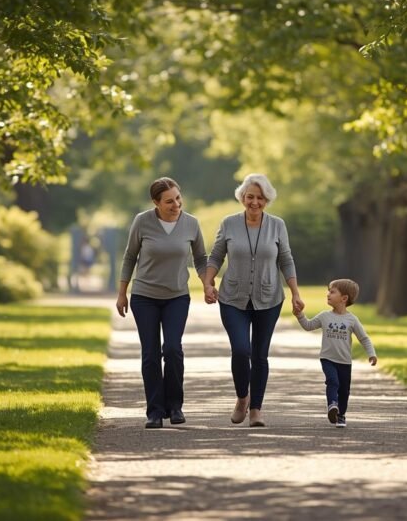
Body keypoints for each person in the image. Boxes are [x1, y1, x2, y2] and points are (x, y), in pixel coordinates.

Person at [202, 173, 304, 427]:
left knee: (259, 355)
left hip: (269, 298)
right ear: (242, 198)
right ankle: (241, 398)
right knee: (240, 350)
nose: (254, 202)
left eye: (260, 198)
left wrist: (295, 292)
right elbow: (216, 256)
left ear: (267, 200)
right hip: (232, 297)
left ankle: (256, 409)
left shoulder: (277, 225)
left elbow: (286, 259)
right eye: (250, 197)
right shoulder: (229, 223)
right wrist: (207, 281)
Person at [117, 177, 208, 429]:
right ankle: (155, 411)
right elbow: (129, 257)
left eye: (178, 198)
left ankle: (175, 406)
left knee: (172, 349)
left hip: (177, 296)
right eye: (169, 201)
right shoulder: (142, 221)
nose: (176, 204)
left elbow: (201, 258)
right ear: (156, 202)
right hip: (144, 296)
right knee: (150, 355)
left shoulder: (191, 223)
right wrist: (122, 292)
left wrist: (207, 284)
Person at [293, 279, 377, 428]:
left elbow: (364, 338)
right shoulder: (324, 316)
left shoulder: (352, 320)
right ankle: (332, 405)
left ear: (344, 298)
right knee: (333, 382)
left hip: (345, 361)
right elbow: (308, 325)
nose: (328, 294)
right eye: (328, 291)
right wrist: (300, 315)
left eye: (332, 292)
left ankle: (341, 415)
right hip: (327, 358)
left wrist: (371, 354)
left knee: (344, 390)